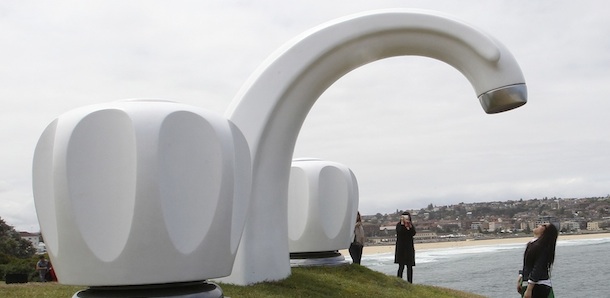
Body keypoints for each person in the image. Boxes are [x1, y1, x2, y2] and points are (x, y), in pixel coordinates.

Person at [517, 223, 558, 298]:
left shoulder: (543, 247)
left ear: (546, 232)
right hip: (532, 284)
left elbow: (538, 268)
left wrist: (529, 289)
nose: (539, 225)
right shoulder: (532, 244)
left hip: (539, 286)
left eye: (543, 226)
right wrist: (521, 277)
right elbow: (528, 265)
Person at [394, 211, 416, 283]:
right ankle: (399, 281)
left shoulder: (410, 225)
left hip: (409, 248)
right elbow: (400, 232)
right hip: (401, 248)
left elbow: (413, 233)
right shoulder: (399, 225)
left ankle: (410, 282)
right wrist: (403, 224)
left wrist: (409, 226)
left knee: (409, 267)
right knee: (401, 266)